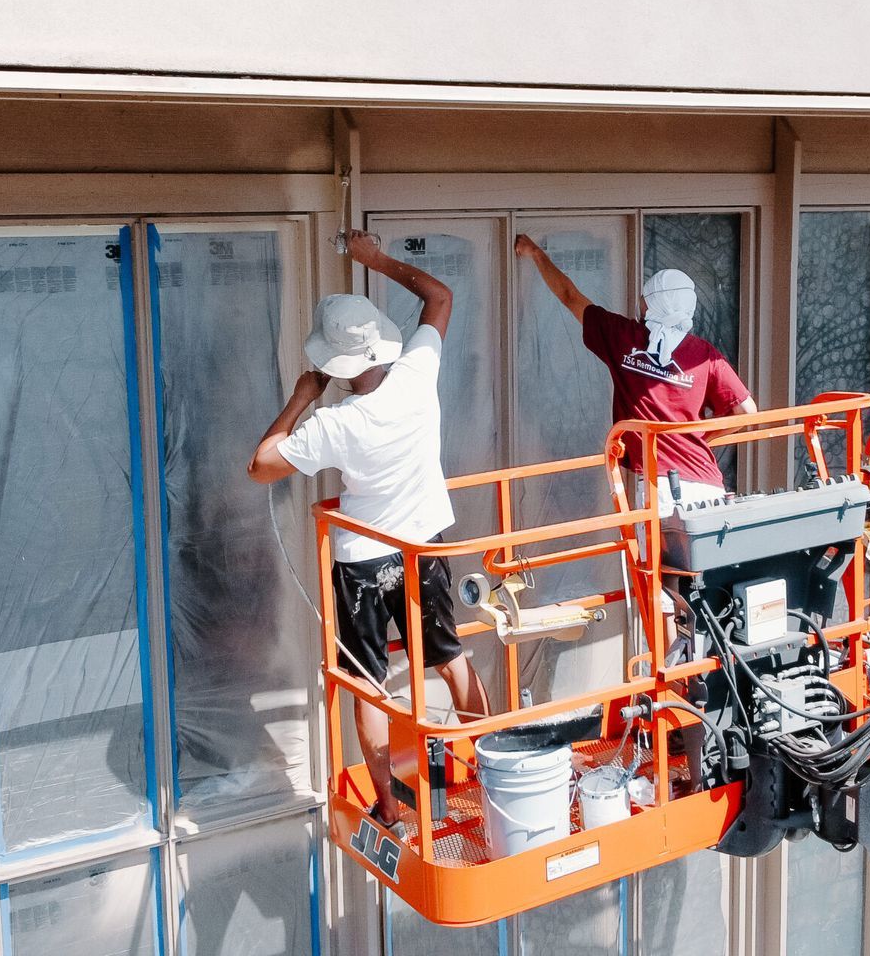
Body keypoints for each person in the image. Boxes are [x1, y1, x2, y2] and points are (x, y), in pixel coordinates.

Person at [248, 230, 490, 831]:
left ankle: (388, 806)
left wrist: (300, 398)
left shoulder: (335, 423)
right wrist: (375, 259)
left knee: (367, 684)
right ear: (379, 345)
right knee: (450, 659)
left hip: (360, 560)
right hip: (422, 544)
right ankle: (494, 772)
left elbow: (261, 465)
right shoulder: (416, 374)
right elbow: (439, 297)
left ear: (335, 365)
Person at [513, 234, 757, 514]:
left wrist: (536, 253)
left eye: (644, 298)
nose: (639, 303)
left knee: (656, 545)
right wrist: (699, 436)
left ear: (652, 305)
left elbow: (570, 296)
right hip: (707, 483)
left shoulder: (623, 337)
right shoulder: (706, 355)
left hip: (661, 487)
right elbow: (747, 411)